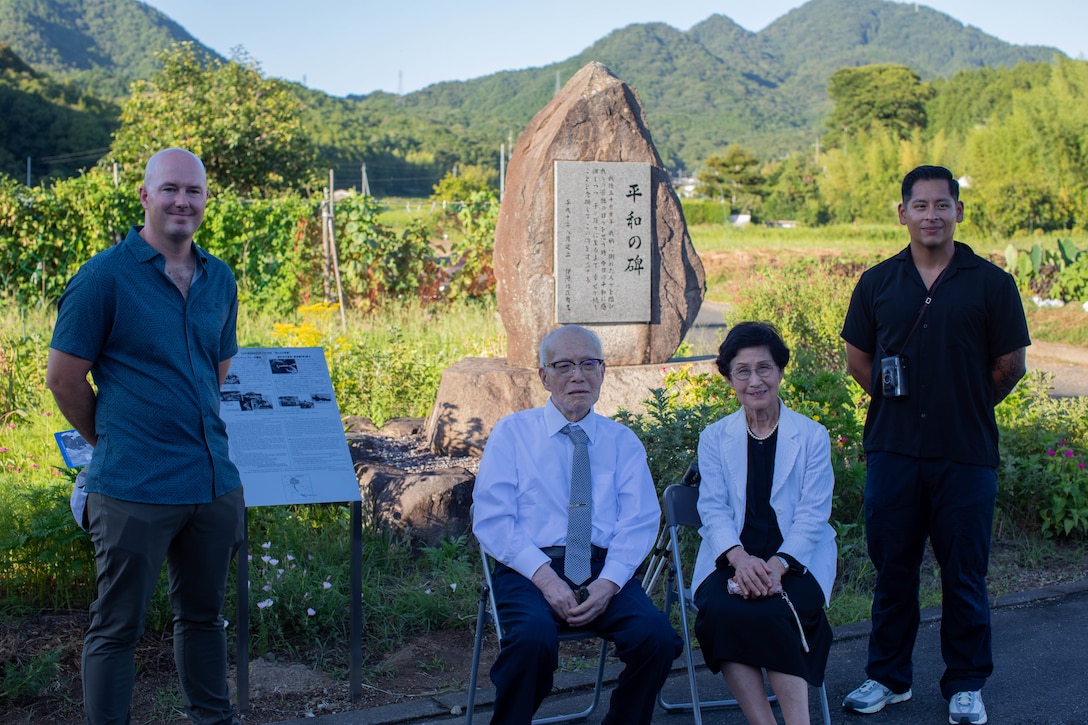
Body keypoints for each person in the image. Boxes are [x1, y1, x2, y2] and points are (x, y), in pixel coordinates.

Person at [46, 148, 245, 725]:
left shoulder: (219, 278)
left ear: (206, 200)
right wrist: (114, 439)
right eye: (170, 189)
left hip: (213, 483)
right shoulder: (103, 278)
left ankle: (213, 720)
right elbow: (63, 377)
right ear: (145, 196)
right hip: (132, 485)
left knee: (204, 618)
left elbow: (215, 370)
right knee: (116, 628)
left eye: (194, 191)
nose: (183, 201)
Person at [840, 165, 1029, 725]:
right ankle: (888, 678)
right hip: (893, 451)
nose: (931, 216)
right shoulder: (877, 282)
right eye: (919, 206)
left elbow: (1010, 365)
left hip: (965, 453)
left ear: (958, 212)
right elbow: (858, 358)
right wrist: (893, 403)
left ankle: (966, 684)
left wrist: (963, 404)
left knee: (964, 573)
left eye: (941, 205)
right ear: (903, 213)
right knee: (893, 570)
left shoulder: (991, 283)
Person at [472, 324, 682, 725]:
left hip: (603, 568)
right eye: (564, 365)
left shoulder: (622, 441)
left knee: (656, 639)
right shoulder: (513, 434)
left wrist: (609, 584)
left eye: (589, 364)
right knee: (532, 640)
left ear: (602, 371)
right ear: (544, 375)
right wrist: (547, 580)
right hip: (530, 568)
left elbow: (639, 521)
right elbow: (493, 518)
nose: (577, 375)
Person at [691, 321, 837, 725]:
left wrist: (775, 567)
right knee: (722, 612)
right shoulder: (714, 438)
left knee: (775, 614)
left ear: (780, 371)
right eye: (742, 371)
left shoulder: (811, 436)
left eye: (764, 368)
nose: (754, 381)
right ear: (729, 378)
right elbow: (714, 509)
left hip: (797, 559)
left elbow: (812, 516)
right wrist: (741, 561)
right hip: (730, 557)